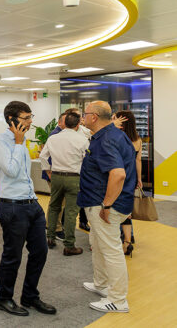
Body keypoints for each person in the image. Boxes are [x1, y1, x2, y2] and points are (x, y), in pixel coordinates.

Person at [0, 101, 55, 317]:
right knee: (13, 255)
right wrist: (18, 144)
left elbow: (24, 175)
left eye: (30, 117)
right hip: (12, 206)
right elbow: (11, 170)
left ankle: (29, 296)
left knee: (40, 251)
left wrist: (20, 142)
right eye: (26, 118)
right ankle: (3, 297)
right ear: (12, 120)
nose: (30, 121)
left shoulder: (23, 141)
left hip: (31, 204)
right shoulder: (0, 142)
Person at [79, 101, 136, 313]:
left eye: (85, 114)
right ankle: (101, 284)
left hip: (104, 204)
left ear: (94, 117)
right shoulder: (112, 135)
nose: (83, 117)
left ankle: (118, 300)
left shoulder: (106, 140)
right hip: (100, 201)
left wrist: (107, 204)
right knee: (98, 244)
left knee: (111, 250)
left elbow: (118, 174)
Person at [39, 112, 89, 256]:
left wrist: (48, 171)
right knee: (71, 211)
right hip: (74, 178)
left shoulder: (53, 138)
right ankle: (69, 245)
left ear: (64, 123)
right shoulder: (83, 140)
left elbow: (43, 156)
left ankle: (50, 238)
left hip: (56, 176)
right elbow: (87, 160)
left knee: (54, 206)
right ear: (78, 124)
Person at [112, 111, 142, 256]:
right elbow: (138, 160)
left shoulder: (117, 137)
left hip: (117, 174)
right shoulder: (137, 139)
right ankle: (129, 240)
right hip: (131, 176)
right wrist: (139, 178)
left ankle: (117, 237)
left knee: (113, 207)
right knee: (126, 209)